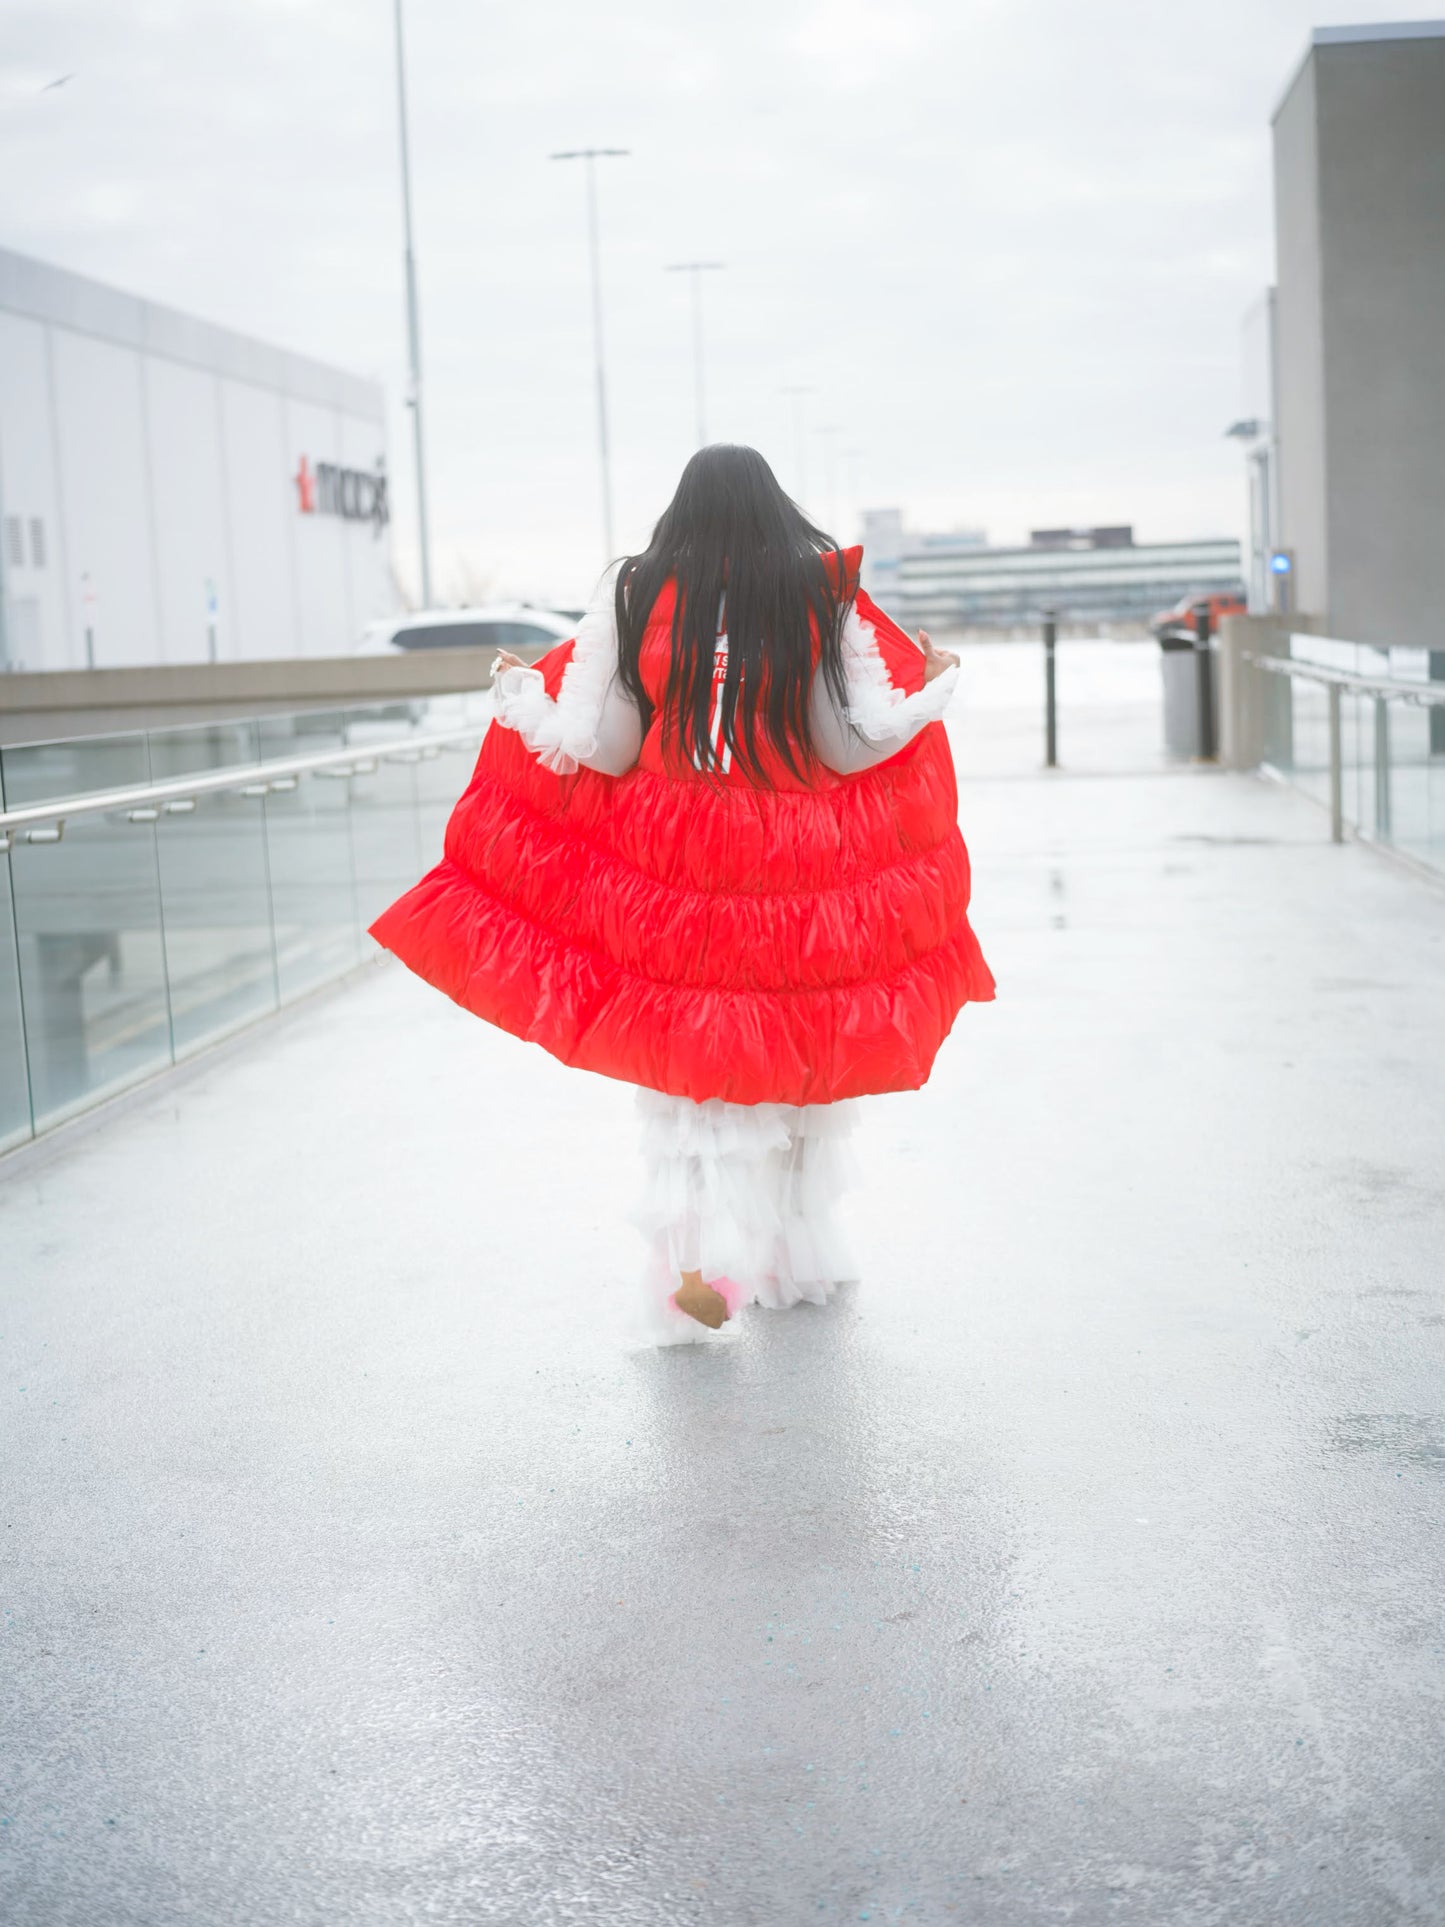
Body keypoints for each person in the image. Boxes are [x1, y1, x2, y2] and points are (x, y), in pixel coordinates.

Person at [369, 445, 994, 1343]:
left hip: (679, 870)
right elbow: (846, 745)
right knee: (793, 1045)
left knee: (693, 1064)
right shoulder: (817, 597)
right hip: (792, 865)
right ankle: (792, 1257)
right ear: (775, 508)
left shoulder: (635, 594)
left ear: (682, 511)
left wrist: (519, 696)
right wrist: (929, 693)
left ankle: (690, 1266)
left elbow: (607, 748)